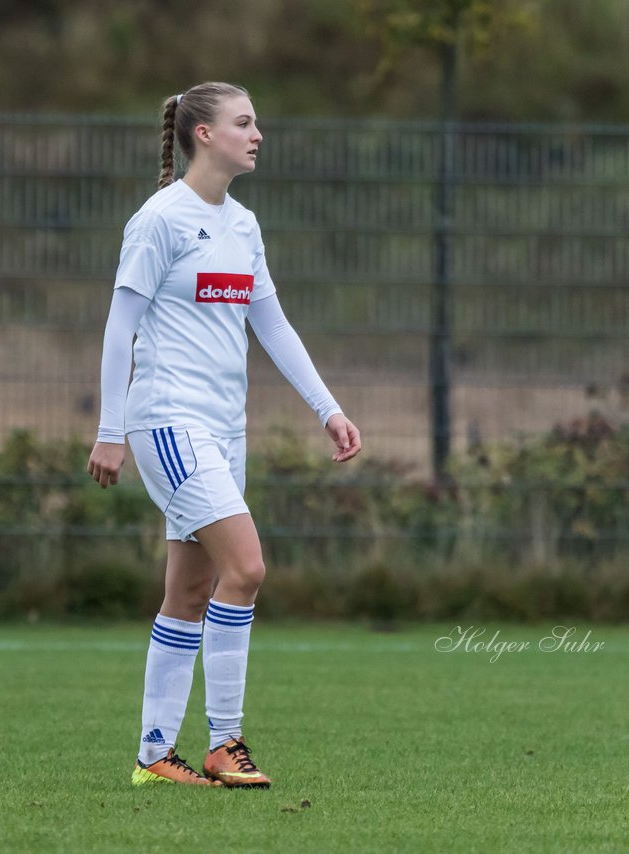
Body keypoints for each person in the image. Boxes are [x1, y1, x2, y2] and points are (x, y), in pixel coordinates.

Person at [86, 83, 362, 787]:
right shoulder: (160, 221)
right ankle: (224, 742)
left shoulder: (242, 226)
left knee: (190, 591)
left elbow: (271, 325)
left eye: (257, 121)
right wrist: (109, 429)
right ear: (202, 135)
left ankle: (154, 755)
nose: (258, 133)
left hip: (221, 432)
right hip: (168, 423)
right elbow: (121, 327)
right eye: (244, 122)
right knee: (247, 569)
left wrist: (327, 408)